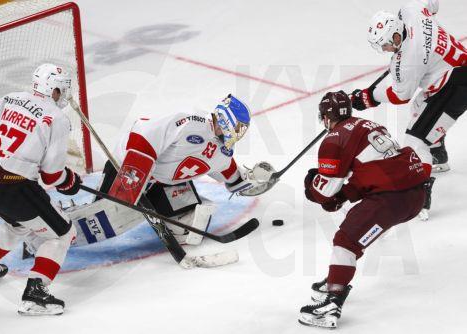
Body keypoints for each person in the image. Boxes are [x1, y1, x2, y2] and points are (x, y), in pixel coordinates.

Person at [23, 94, 277, 267]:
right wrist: (136, 176)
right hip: (131, 166)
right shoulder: (191, 122)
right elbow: (144, 131)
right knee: (107, 217)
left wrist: (261, 181)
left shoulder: (222, 153)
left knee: (193, 223)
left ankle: (166, 219)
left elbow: (236, 182)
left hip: (162, 183)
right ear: (226, 119)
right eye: (240, 126)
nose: (240, 133)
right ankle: (41, 233)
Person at [298, 91, 428, 329]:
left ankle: (331, 304)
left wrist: (311, 185)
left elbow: (322, 192)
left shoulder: (334, 139)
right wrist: (345, 194)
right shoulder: (369, 125)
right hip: (415, 194)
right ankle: (338, 274)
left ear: (326, 116)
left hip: (392, 200)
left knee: (346, 241)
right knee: (354, 229)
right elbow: (372, 171)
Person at [0, 64, 81, 316]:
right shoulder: (57, 118)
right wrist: (69, 180)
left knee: (17, 225)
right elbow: (52, 175)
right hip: (14, 189)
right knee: (62, 234)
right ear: (55, 88)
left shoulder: (13, 98)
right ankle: (35, 295)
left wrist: (10, 153)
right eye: (62, 87)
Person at [350, 0, 467, 219]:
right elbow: (432, 4)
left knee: (415, 142)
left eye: (385, 44)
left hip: (456, 85)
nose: (384, 49)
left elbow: (399, 95)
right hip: (453, 71)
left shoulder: (407, 61)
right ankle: (438, 155)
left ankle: (421, 191)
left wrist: (367, 97)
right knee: (420, 106)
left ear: (396, 36)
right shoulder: (412, 10)